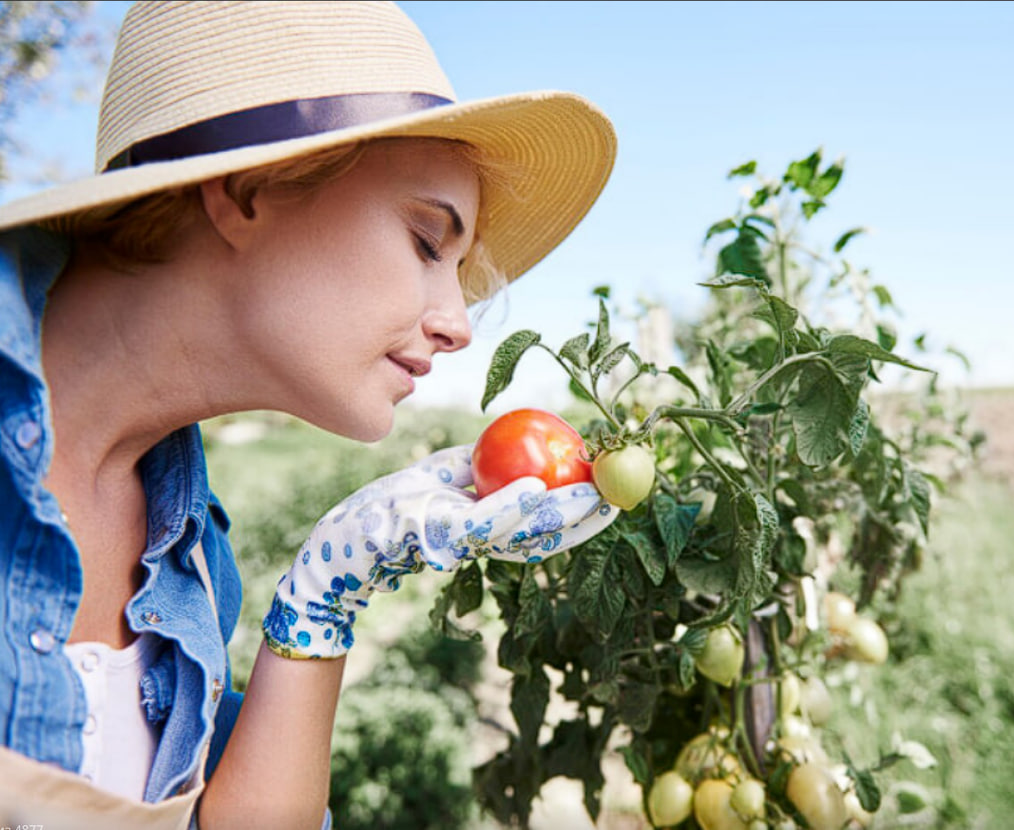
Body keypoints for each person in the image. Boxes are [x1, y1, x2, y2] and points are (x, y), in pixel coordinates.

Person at [0, 2, 618, 827]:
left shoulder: (187, 556)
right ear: (250, 190)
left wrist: (326, 594)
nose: (459, 322)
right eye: (428, 242)